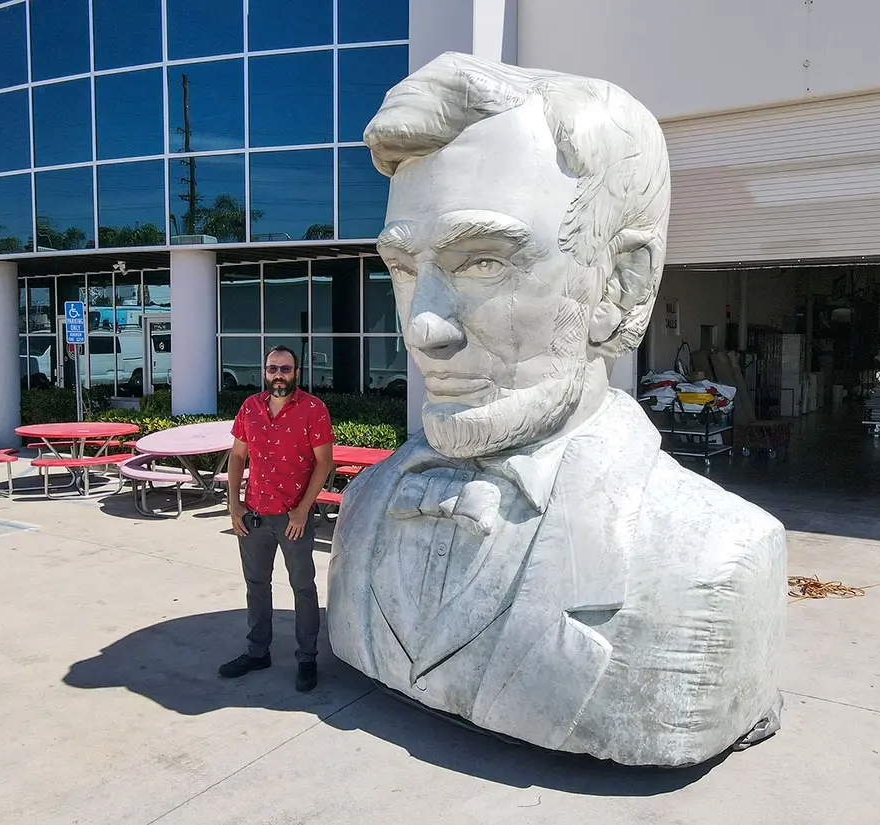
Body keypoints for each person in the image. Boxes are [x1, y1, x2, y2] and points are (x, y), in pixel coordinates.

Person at [326, 52, 787, 767]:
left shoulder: (718, 557)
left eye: (482, 263)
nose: (422, 328)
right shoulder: (361, 510)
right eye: (405, 269)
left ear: (622, 287)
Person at [219, 345, 335, 691]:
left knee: (302, 587)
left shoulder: (313, 409)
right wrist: (234, 503)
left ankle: (307, 658)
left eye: (285, 368)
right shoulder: (250, 407)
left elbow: (324, 462)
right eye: (272, 368)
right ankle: (258, 651)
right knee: (256, 586)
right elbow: (238, 456)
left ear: (296, 372)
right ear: (265, 371)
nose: (278, 374)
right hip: (252, 515)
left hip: (292, 518)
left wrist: (302, 510)